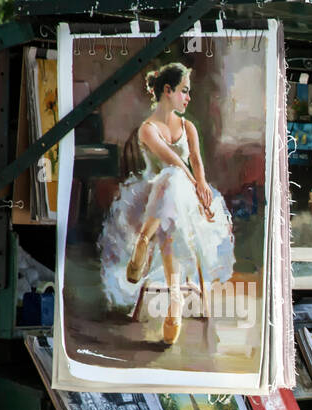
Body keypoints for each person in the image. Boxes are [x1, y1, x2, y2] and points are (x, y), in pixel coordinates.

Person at [99, 62, 234, 346]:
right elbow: (173, 161)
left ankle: (144, 243)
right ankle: (174, 304)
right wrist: (193, 183)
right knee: (170, 180)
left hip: (181, 203)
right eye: (184, 91)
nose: (188, 98)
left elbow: (195, 160)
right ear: (168, 90)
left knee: (172, 203)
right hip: (149, 199)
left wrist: (202, 185)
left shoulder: (188, 127)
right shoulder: (147, 129)